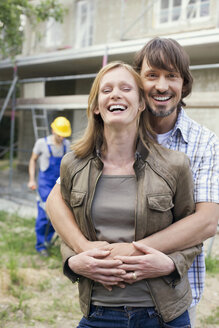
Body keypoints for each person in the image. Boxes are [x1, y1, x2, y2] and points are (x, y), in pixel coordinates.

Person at [46, 38, 219, 326]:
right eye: (152, 75)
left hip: (171, 299)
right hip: (104, 304)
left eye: (171, 76)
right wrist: (83, 250)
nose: (162, 86)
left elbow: (205, 222)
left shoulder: (203, 142)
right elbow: (57, 199)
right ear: (140, 84)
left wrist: (131, 253)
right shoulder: (118, 128)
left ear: (184, 84)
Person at [28, 116, 71, 256]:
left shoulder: (67, 145)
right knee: (43, 215)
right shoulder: (42, 143)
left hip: (59, 185)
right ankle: (40, 245)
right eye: (60, 135)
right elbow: (33, 160)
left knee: (57, 215)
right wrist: (31, 180)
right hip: (45, 184)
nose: (62, 138)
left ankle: (48, 240)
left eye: (64, 135)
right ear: (53, 130)